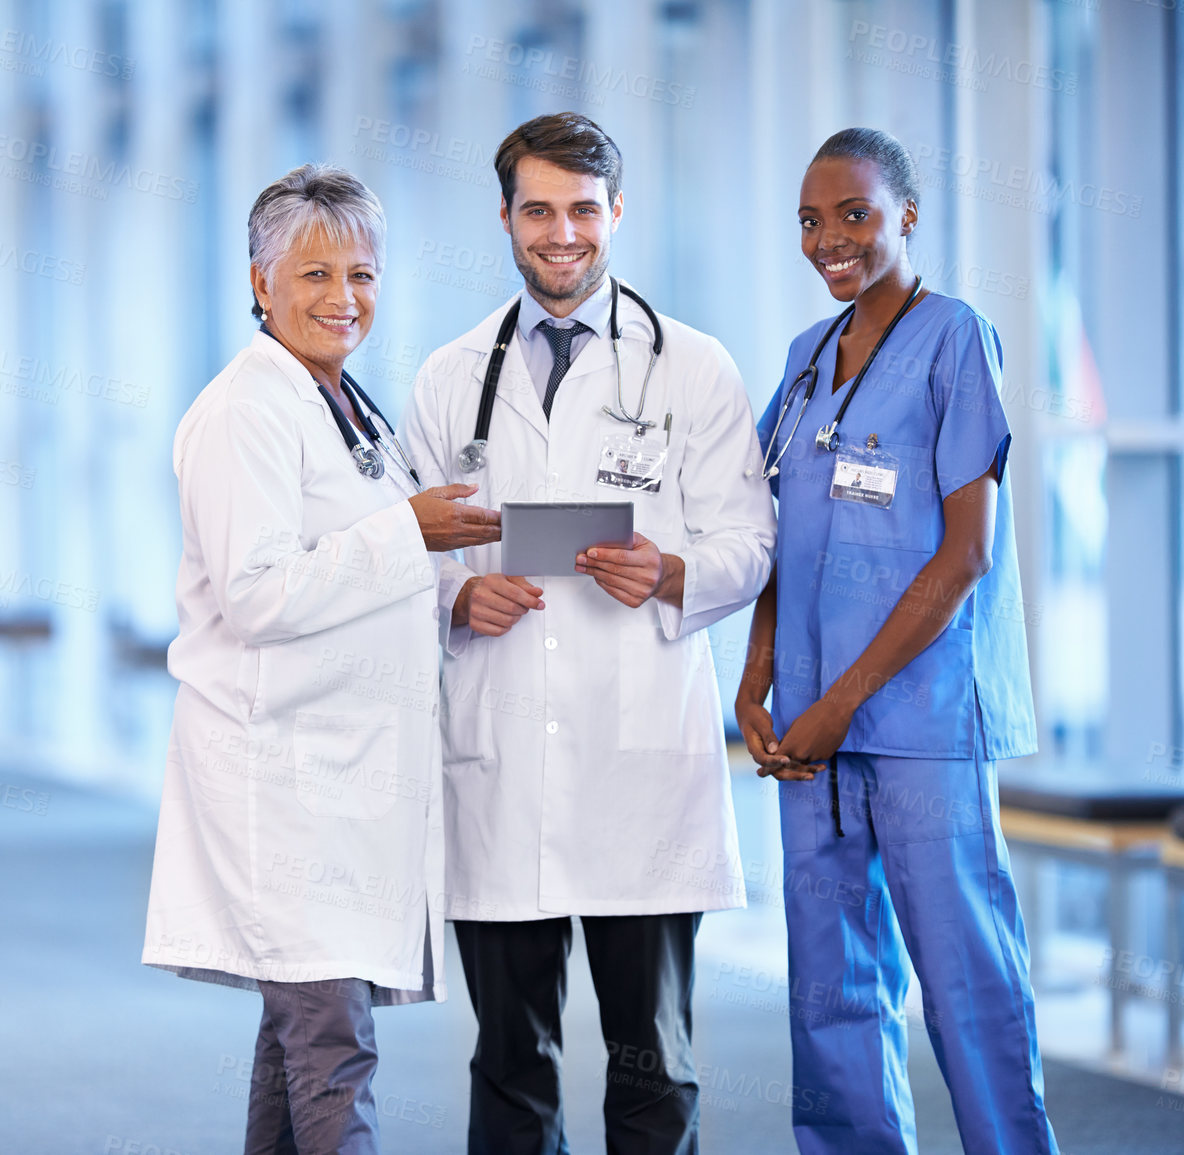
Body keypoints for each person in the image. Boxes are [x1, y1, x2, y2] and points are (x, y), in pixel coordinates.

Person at [399, 112, 776, 1155]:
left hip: (637, 765)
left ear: (617, 214)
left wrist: (674, 574)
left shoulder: (692, 368)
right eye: (538, 211)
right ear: (507, 218)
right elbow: (409, 548)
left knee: (653, 1060)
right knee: (509, 1062)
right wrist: (452, 599)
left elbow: (752, 541)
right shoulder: (447, 377)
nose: (560, 234)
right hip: (502, 758)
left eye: (582, 211)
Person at [142, 163, 499, 1155]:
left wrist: (457, 588)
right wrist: (411, 536)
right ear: (260, 282)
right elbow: (260, 594)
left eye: (363, 275)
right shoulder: (242, 413)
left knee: (300, 1042)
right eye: (313, 276)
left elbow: (364, 561)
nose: (344, 299)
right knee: (331, 1046)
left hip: (345, 775)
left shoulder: (346, 407)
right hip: (284, 782)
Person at [735, 127, 1058, 1154]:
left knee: (968, 986)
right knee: (831, 989)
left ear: (907, 214)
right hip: (808, 732)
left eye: (857, 214)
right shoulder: (804, 361)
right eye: (811, 222)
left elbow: (964, 556)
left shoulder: (956, 338)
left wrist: (837, 705)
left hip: (920, 725)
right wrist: (757, 679)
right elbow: (779, 536)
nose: (832, 240)